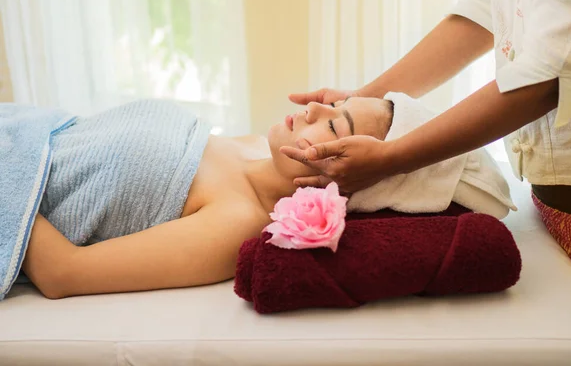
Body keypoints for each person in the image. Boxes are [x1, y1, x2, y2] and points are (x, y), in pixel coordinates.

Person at [283, 0, 571, 305]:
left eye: (335, 126)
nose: (313, 109)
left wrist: (392, 159)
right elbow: (480, 12)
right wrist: (363, 98)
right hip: (548, 200)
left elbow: (545, 79)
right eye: (337, 114)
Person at [21, 97, 394, 299]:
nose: (314, 107)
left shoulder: (236, 222)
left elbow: (62, 273)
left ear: (347, 179)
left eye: (332, 123)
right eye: (335, 102)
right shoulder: (249, 146)